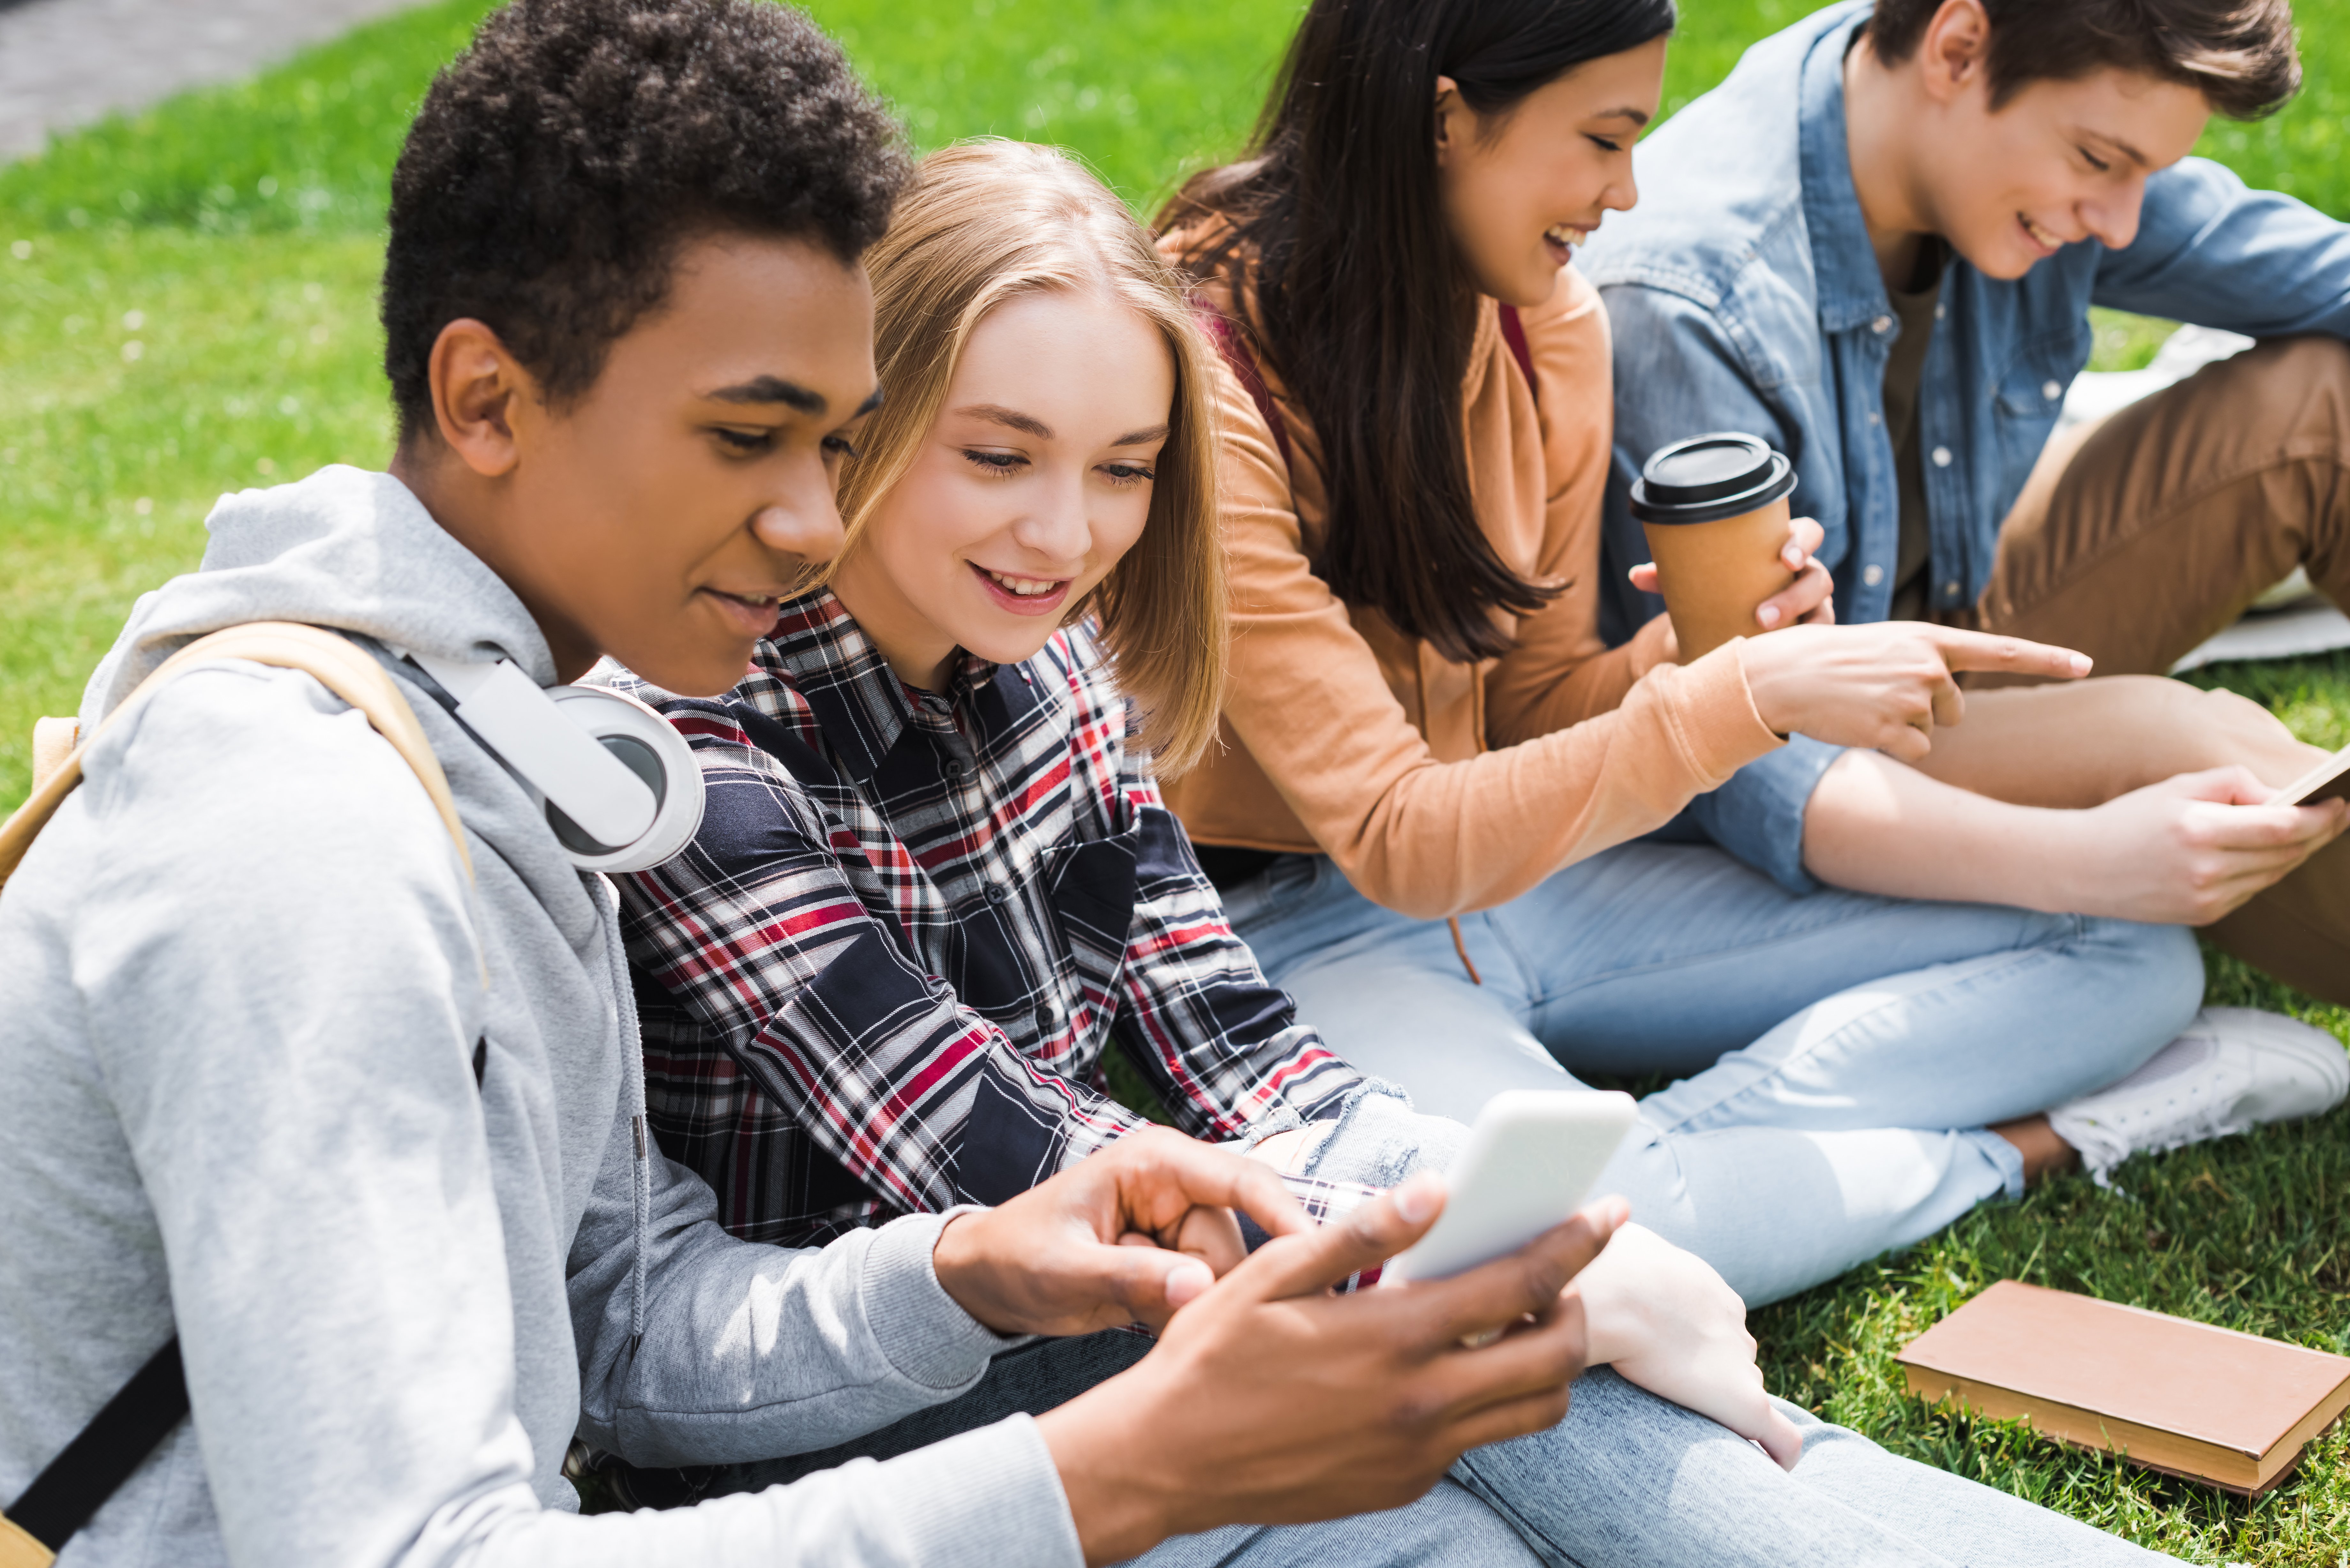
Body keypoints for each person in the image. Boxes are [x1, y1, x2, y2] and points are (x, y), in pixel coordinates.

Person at [0, 4, 1651, 1564]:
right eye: (749, 438)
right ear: (487, 401)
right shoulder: (313, 846)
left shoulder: (535, 727)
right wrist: (1117, 1473)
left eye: (843, 440)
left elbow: (625, 1316)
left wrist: (966, 1273)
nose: (817, 525)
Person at [610, 136, 2177, 1568]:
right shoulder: (701, 733)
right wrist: (1469, 1269)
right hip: (858, 1395)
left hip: (1131, 1292)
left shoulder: (1056, 661)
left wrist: (1526, 1239)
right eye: (1000, 456)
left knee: (1532, 1383)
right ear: (864, 420)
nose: (1067, 534)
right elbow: (992, 1148)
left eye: (1123, 467)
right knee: (1509, 1401)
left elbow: (1239, 1047)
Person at [1149, 0, 2339, 1306]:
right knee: (1578, 1244)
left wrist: (1691, 646)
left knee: (2130, 953)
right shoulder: (1206, 383)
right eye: (1601, 140)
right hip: (1291, 925)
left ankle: (1682, 1159)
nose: (1625, 191)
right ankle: (2013, 1147)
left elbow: (1543, 706)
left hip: (1531, 873)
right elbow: (1397, 832)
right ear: (1445, 118)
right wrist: (1741, 691)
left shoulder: (1542, 320)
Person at [1581, 0, 2350, 1053]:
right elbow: (1746, 756)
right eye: (2100, 161)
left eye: (2145, 177)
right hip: (1807, 738)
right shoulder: (1689, 300)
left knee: (2324, 408)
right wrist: (2083, 852)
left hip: (1954, 608)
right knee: (2187, 740)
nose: (2124, 222)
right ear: (1955, 49)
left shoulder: (1987, 117)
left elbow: (2320, 276)